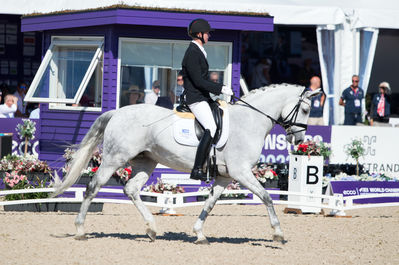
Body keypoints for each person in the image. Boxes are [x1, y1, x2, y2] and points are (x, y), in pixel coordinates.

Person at [181, 18, 233, 181]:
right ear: (199, 34)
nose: (209, 36)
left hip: (202, 96)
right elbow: (198, 81)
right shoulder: (192, 53)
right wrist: (220, 88)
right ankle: (197, 169)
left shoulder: (199, 51)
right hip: (195, 98)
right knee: (210, 127)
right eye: (207, 33)